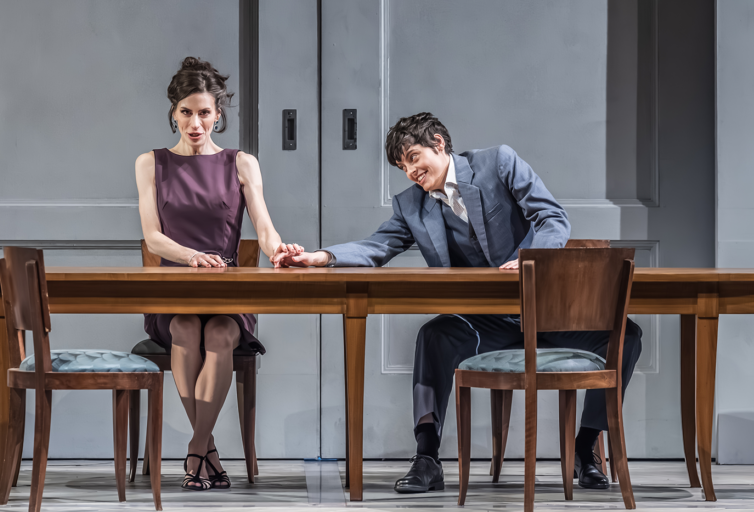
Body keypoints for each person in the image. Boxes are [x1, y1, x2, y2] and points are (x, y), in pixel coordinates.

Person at [273, 112, 642, 493]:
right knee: (434, 336)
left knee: (625, 337)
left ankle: (585, 447)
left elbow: (552, 217)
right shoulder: (411, 205)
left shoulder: (498, 163)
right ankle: (427, 457)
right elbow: (377, 246)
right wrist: (321, 257)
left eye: (413, 158)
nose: (410, 172)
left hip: (546, 313)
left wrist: (530, 258)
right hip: (484, 323)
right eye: (402, 167)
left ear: (438, 143)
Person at [135, 56, 303, 491]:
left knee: (222, 332)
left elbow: (263, 228)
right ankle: (205, 450)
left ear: (218, 113)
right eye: (186, 112)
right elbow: (153, 237)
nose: (195, 123)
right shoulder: (150, 163)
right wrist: (191, 255)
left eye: (204, 113)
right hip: (174, 294)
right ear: (173, 112)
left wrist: (279, 250)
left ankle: (197, 447)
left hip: (227, 294)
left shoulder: (241, 163)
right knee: (186, 328)